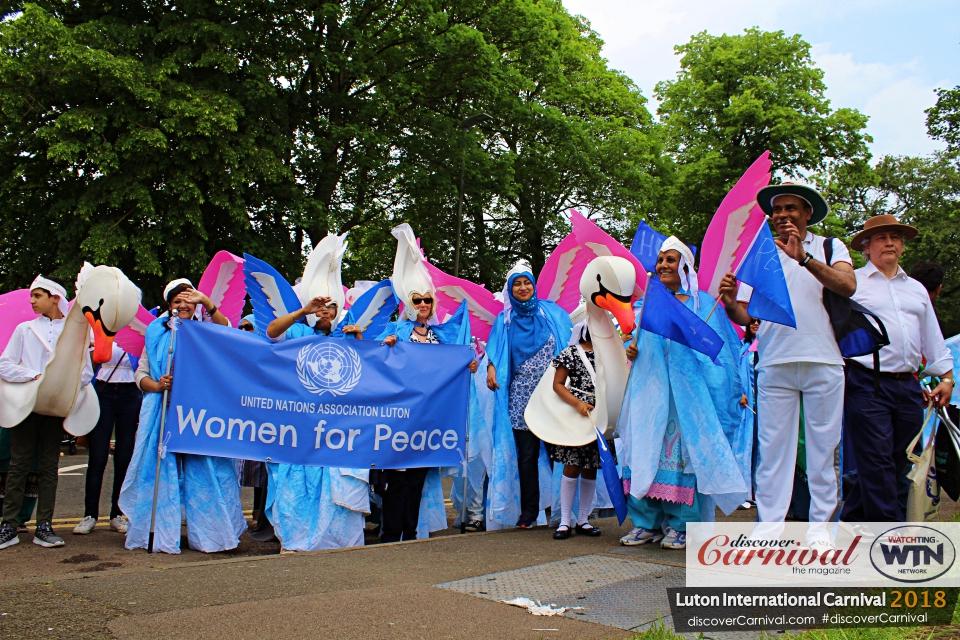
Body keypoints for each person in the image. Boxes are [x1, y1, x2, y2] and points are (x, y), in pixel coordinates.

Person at [718, 183, 856, 545]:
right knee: (773, 452)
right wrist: (732, 303)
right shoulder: (760, 252)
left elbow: (848, 285)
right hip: (775, 362)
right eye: (777, 210)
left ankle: (821, 531)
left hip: (823, 360)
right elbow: (747, 316)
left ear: (807, 213)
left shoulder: (830, 246)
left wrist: (804, 259)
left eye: (791, 208)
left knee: (824, 451)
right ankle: (768, 530)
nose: (782, 215)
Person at [619, 238, 746, 550]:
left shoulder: (702, 305)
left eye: (671, 260)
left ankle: (684, 525)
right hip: (649, 395)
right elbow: (635, 342)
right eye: (660, 259)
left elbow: (722, 354)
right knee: (640, 453)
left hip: (686, 399)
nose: (662, 265)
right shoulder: (648, 302)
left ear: (686, 267)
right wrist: (630, 348)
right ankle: (646, 523)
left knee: (680, 460)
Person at [119, 281, 247, 553]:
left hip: (200, 413)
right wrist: (157, 385)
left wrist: (208, 303)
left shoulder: (206, 329)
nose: (183, 305)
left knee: (205, 470)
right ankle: (157, 534)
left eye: (189, 299)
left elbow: (229, 334)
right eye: (177, 300)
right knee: (159, 469)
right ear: (169, 306)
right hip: (163, 409)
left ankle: (213, 537)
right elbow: (141, 371)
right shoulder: (155, 331)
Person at [841, 215, 953, 522]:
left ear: (902, 246)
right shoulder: (852, 283)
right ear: (866, 247)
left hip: (908, 385)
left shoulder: (916, 289)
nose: (889, 242)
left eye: (895, 237)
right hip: (866, 381)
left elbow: (932, 335)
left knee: (900, 461)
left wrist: (946, 376)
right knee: (877, 462)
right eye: (880, 238)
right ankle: (890, 535)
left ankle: (851, 519)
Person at [263, 296, 369, 552]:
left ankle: (335, 540)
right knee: (297, 482)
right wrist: (302, 311)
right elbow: (271, 332)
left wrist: (359, 339)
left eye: (331, 307)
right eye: (320, 307)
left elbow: (368, 372)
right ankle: (296, 539)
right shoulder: (298, 331)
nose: (325, 312)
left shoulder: (344, 336)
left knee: (333, 481)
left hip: (336, 427)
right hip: (299, 425)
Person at [379, 292, 479, 542]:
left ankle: (410, 533)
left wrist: (468, 365)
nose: (423, 304)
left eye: (427, 300)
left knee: (417, 478)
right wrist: (386, 346)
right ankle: (390, 535)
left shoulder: (439, 335)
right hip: (401, 415)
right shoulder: (396, 329)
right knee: (398, 478)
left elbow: (451, 364)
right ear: (408, 305)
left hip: (430, 417)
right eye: (417, 300)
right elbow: (375, 359)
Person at [0, 276, 91, 550]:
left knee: (50, 466)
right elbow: (4, 365)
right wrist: (35, 376)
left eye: (37, 295)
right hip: (26, 404)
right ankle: (9, 525)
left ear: (54, 297)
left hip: (55, 407)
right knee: (19, 463)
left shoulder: (75, 331)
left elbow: (85, 374)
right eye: (31, 296)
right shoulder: (25, 329)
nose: (32, 301)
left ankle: (44, 526)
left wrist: (61, 386)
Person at [486, 263, 572, 529]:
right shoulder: (505, 320)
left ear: (534, 285)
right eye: (516, 284)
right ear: (510, 290)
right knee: (527, 456)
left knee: (562, 453)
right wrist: (491, 368)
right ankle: (529, 512)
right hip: (521, 397)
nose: (523, 288)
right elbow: (496, 352)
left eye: (527, 283)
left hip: (555, 394)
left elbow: (570, 343)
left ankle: (565, 512)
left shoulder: (551, 313)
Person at [73, 343, 142, 535]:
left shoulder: (142, 324)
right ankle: (90, 514)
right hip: (103, 387)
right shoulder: (101, 324)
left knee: (124, 456)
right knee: (97, 455)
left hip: (131, 389)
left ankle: (117, 513)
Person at [547, 323, 603, 539]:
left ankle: (584, 519)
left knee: (591, 467)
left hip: (599, 416)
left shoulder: (607, 352)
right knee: (572, 465)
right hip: (577, 416)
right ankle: (564, 521)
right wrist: (577, 403)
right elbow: (558, 384)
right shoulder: (571, 352)